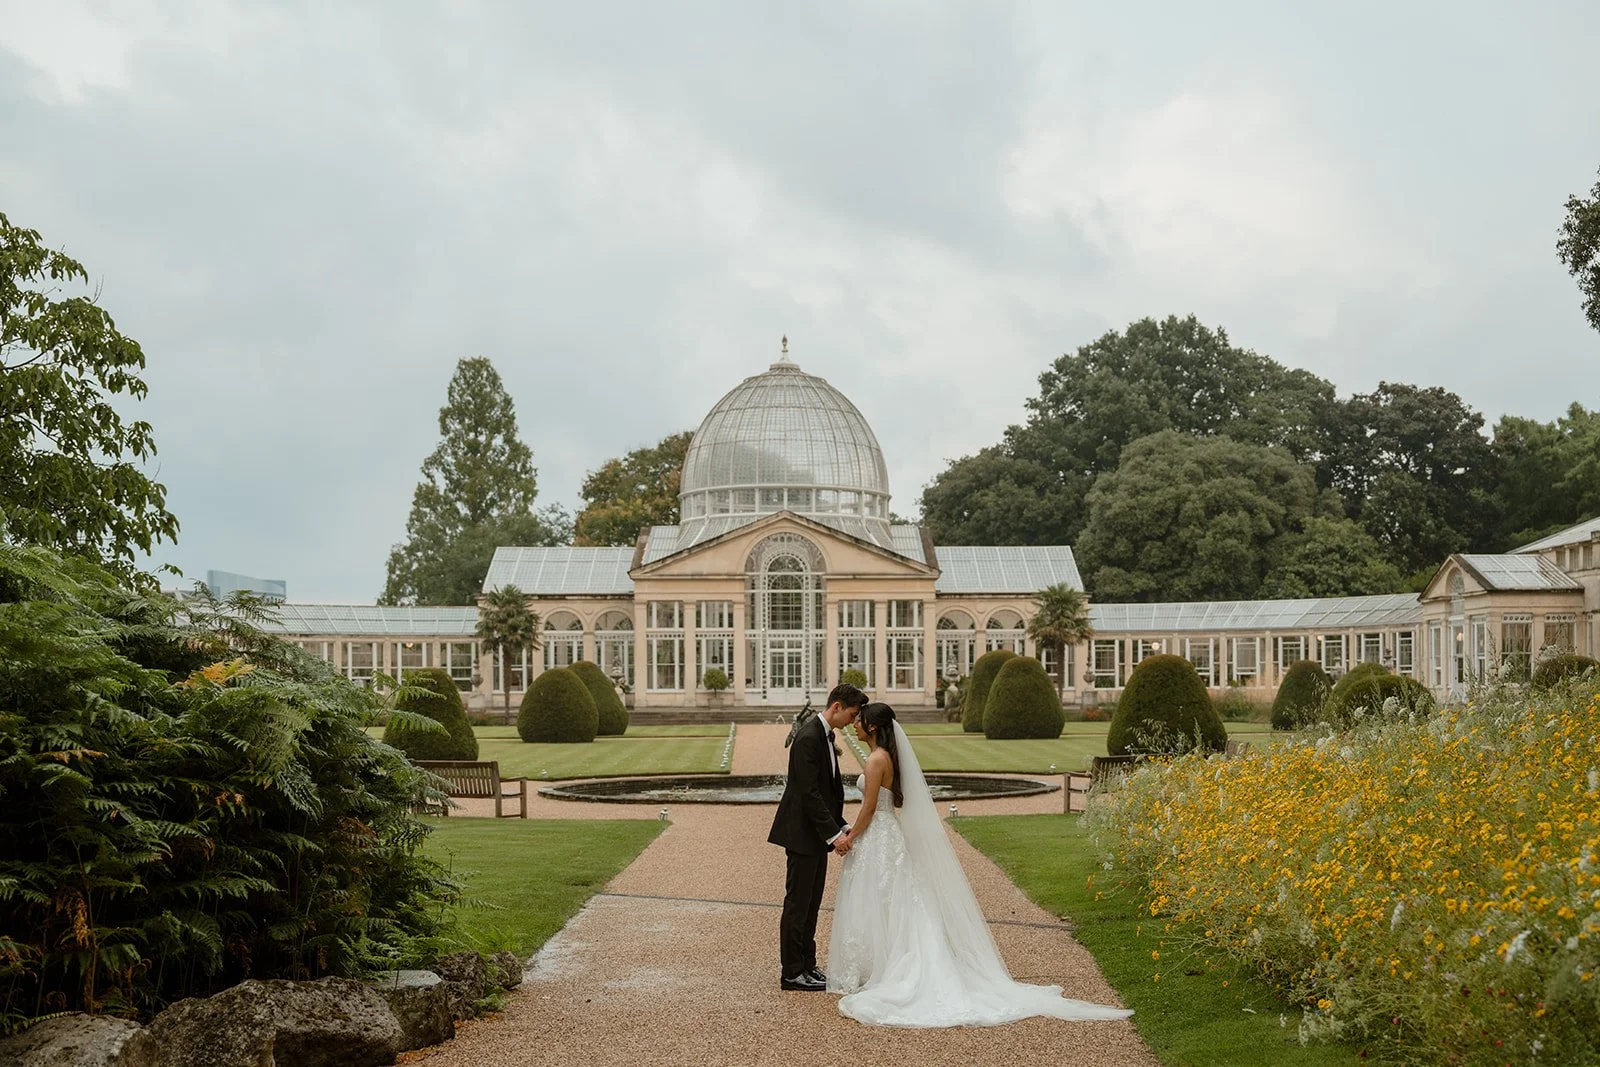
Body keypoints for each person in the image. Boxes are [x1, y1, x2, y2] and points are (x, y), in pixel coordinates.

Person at [826, 702, 1134, 1027]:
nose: (855, 725)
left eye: (860, 721)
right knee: (893, 899)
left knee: (882, 897)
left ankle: (884, 966)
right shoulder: (888, 757)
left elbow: (870, 808)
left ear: (873, 726)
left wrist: (850, 837)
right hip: (888, 834)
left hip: (879, 833)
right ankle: (883, 962)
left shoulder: (877, 759)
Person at [767, 682, 868, 991]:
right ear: (836, 706)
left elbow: (827, 792)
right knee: (798, 904)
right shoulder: (809, 737)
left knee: (811, 904)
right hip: (802, 835)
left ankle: (807, 964)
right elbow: (809, 794)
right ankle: (792, 972)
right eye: (851, 714)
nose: (852, 721)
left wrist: (841, 826)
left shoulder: (826, 735)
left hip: (815, 836)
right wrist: (834, 835)